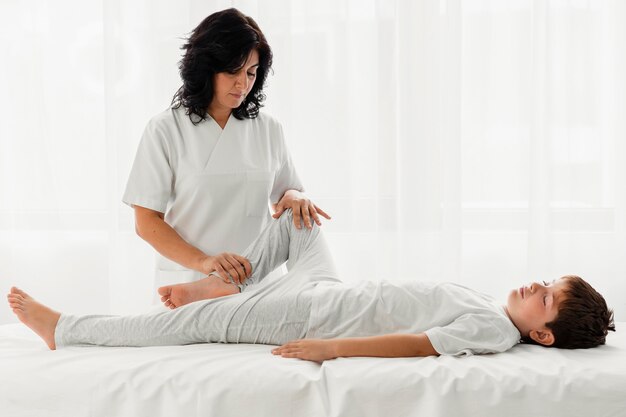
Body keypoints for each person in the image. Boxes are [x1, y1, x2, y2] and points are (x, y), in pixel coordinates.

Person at [7, 211, 615, 362]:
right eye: (547, 278)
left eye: (547, 294)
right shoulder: (491, 308)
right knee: (300, 221)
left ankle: (65, 329)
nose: (536, 284)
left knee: (187, 328)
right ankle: (215, 286)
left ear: (543, 331)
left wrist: (334, 348)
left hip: (314, 315)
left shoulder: (492, 332)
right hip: (334, 290)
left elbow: (415, 344)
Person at [122, 8, 329, 299]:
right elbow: (146, 221)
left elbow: (285, 194)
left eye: (251, 73)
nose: (243, 84)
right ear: (206, 67)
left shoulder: (268, 128)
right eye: (233, 71)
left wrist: (294, 196)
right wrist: (204, 262)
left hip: (261, 287)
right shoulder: (165, 129)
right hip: (191, 282)